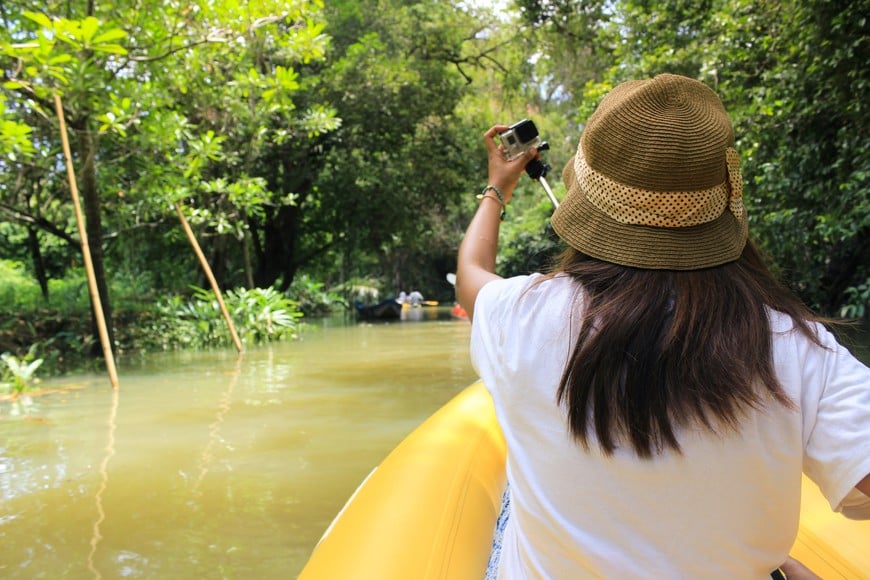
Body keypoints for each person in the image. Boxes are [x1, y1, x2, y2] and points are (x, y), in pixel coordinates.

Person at [456, 74, 870, 578]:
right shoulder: (798, 346)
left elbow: (471, 275)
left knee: (510, 496)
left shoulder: (517, 313)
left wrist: (496, 187)